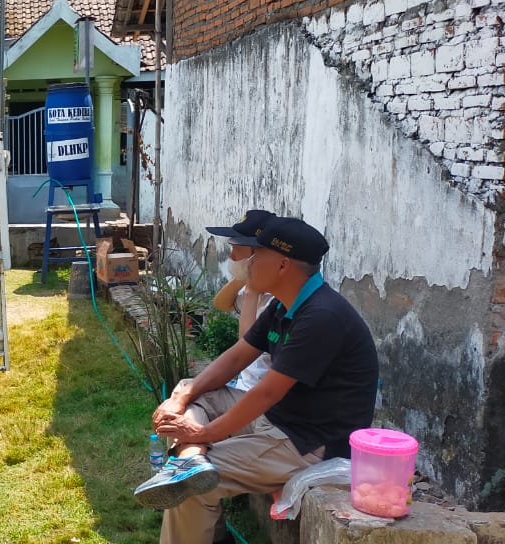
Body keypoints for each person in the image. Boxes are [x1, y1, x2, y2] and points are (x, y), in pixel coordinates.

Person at [134, 217, 378, 544]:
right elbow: (238, 355)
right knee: (191, 393)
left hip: (306, 442)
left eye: (256, 256)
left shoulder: (322, 316)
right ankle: (192, 459)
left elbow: (265, 393)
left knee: (188, 488)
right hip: (276, 420)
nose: (248, 264)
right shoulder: (284, 305)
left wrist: (205, 432)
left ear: (282, 264)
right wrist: (180, 400)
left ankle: (191, 466)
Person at [205, 210, 277, 391]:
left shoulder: (276, 301)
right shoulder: (253, 289)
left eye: (236, 250)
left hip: (255, 394)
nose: (231, 257)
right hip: (241, 385)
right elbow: (221, 303)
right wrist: (245, 277)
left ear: (257, 255)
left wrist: (251, 289)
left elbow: (247, 346)